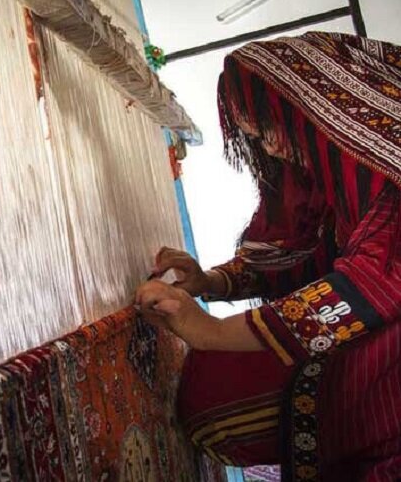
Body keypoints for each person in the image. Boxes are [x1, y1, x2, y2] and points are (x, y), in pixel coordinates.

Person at [136, 32, 401, 481]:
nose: (271, 148)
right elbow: (303, 254)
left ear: (313, 108)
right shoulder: (336, 185)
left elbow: (364, 289)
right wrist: (211, 283)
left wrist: (210, 331)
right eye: (256, 137)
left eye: (270, 128)